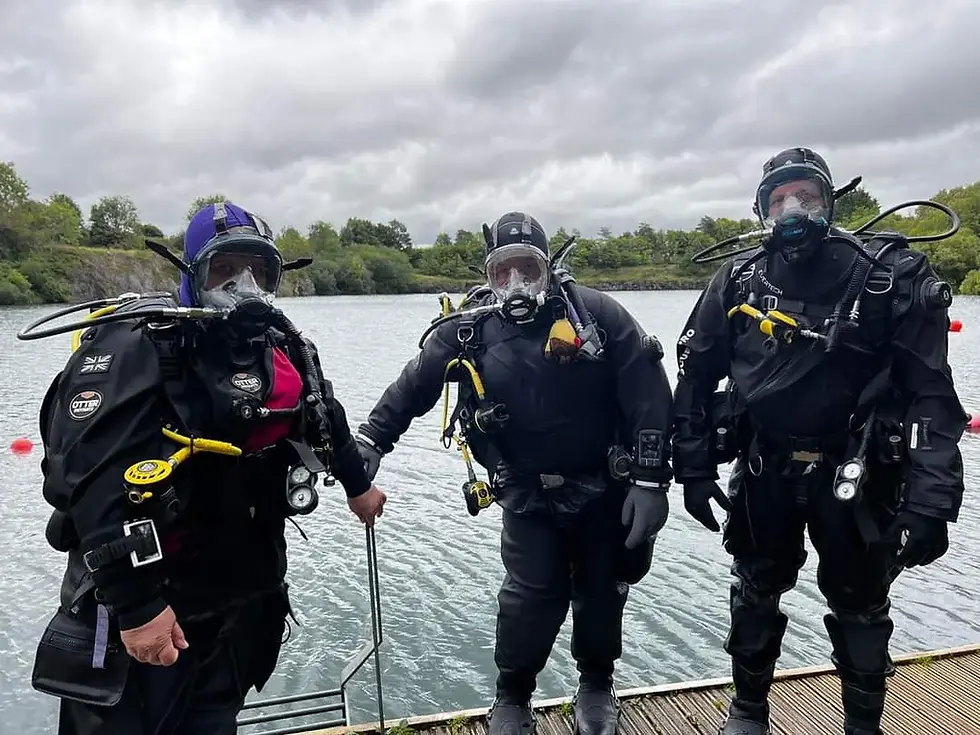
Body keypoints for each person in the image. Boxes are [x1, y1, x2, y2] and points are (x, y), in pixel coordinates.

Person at [30, 201, 387, 735]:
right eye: (223, 269)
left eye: (257, 270)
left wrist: (359, 486)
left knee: (215, 721)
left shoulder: (281, 345)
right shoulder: (139, 344)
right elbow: (90, 483)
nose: (242, 285)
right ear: (191, 273)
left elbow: (324, 414)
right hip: (150, 601)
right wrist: (138, 608)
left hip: (238, 598)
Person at [671, 147, 966, 735]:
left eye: (805, 195)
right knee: (755, 590)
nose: (792, 209)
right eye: (777, 199)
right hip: (765, 469)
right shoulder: (737, 280)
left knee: (861, 602)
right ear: (760, 210)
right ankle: (748, 712)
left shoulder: (890, 277)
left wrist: (931, 502)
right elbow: (696, 378)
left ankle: (862, 724)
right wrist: (695, 469)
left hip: (858, 472)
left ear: (831, 203)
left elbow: (931, 395)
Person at [354, 211, 674, 735]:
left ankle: (596, 685)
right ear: (488, 274)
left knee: (602, 592)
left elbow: (647, 392)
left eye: (528, 268)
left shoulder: (597, 316)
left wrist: (649, 480)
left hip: (604, 490)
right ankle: (512, 696)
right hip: (526, 494)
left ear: (549, 269)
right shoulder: (468, 330)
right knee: (529, 597)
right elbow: (415, 384)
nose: (516, 283)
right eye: (503, 271)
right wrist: (371, 440)